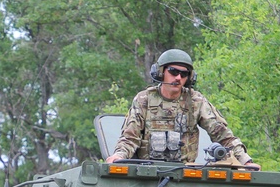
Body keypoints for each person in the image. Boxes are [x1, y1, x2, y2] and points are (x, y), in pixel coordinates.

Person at [106, 49, 260, 170]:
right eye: (173, 71)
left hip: (185, 173)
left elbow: (222, 135)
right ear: (161, 72)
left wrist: (245, 161)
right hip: (148, 173)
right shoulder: (144, 99)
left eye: (184, 73)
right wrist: (119, 155)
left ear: (189, 78)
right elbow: (130, 137)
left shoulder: (195, 101)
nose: (178, 77)